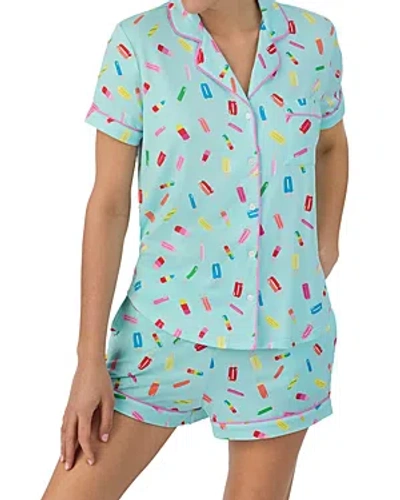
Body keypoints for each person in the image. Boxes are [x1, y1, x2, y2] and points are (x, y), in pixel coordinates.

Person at [42, 0, 348, 498]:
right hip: (160, 334)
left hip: (282, 339)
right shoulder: (138, 44)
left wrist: (324, 247)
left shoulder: (314, 40)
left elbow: (330, 144)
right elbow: (108, 205)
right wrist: (89, 359)